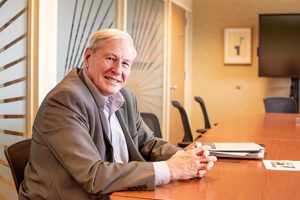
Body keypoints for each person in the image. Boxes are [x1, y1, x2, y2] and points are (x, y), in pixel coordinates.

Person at [19, 28, 217, 200]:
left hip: (116, 192)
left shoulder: (125, 96)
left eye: (125, 64)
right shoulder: (65, 100)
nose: (117, 70)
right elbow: (93, 175)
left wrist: (186, 157)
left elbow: (147, 143)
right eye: (110, 58)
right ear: (88, 57)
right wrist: (171, 169)